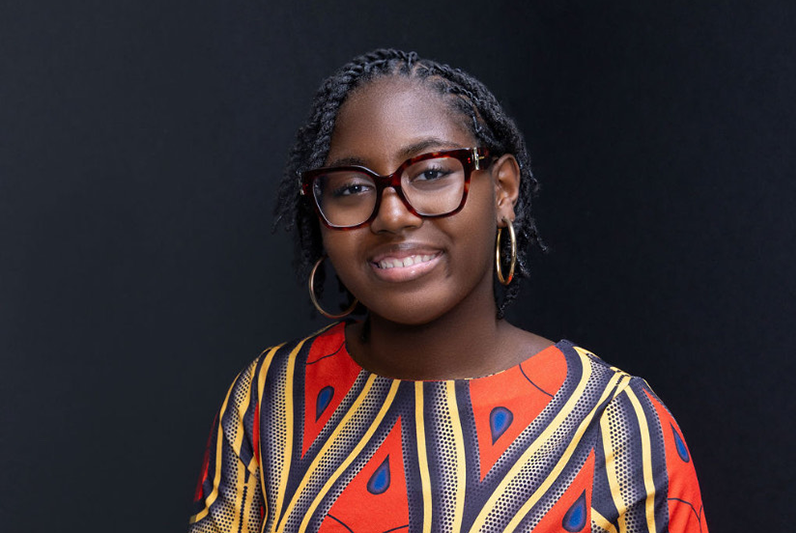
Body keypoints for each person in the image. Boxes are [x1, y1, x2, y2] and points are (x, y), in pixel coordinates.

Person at [188, 49, 707, 533]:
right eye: (351, 187)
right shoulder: (270, 397)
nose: (392, 215)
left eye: (432, 172)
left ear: (502, 190)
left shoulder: (615, 426)